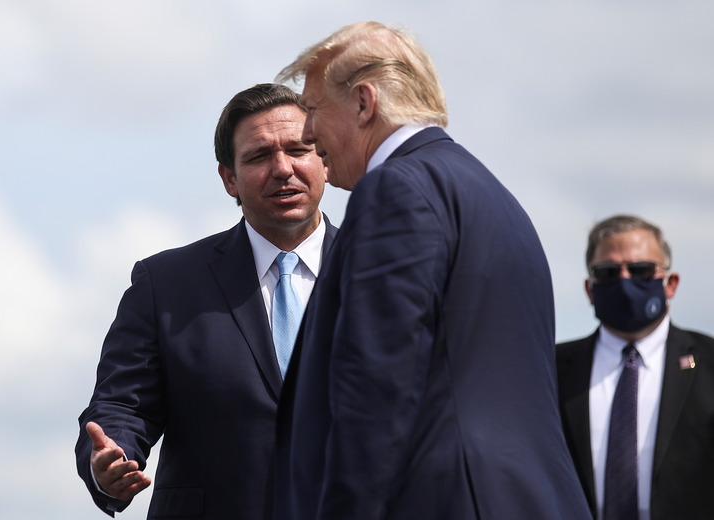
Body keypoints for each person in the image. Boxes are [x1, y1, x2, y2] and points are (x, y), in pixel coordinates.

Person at [271, 21, 590, 520]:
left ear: (363, 102)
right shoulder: (487, 193)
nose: (307, 133)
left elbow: (376, 383)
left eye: (312, 109)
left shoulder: (396, 189)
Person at [75, 83, 336, 519]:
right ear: (229, 178)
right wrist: (111, 460)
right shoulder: (167, 283)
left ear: (324, 159)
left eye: (298, 149)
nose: (283, 168)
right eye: (258, 156)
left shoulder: (383, 272)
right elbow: (123, 405)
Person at [557, 214, 714, 520]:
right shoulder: (551, 370)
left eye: (641, 269)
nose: (625, 280)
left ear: (670, 283)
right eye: (608, 271)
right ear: (590, 289)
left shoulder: (709, 364)